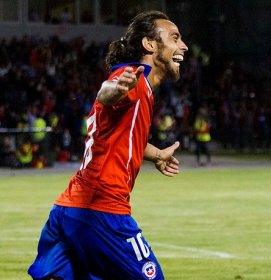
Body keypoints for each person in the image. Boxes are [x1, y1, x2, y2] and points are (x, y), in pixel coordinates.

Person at [28, 10, 188, 280]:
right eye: (174, 38)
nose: (183, 46)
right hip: (101, 213)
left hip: (69, 210)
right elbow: (107, 93)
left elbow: (119, 137)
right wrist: (117, 88)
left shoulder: (142, 89)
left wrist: (156, 154)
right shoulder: (132, 78)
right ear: (149, 44)